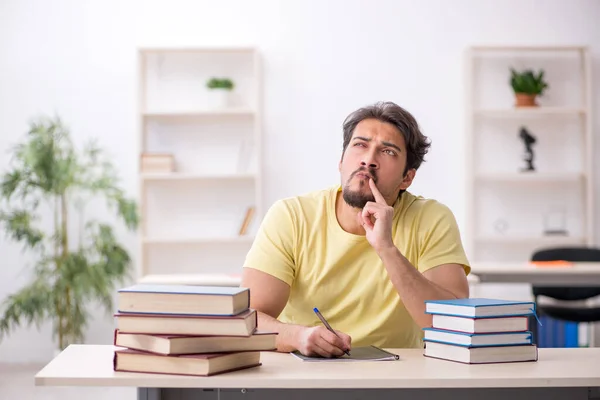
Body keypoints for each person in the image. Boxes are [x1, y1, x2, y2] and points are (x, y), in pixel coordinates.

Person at [240, 101, 470, 358]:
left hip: (399, 376)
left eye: (388, 152)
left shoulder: (431, 218)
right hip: (307, 373)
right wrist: (299, 336)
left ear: (407, 178)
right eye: (360, 145)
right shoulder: (292, 216)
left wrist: (387, 249)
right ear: (341, 161)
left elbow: (454, 323)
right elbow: (248, 319)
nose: (368, 160)